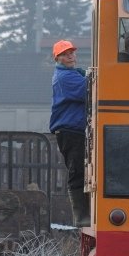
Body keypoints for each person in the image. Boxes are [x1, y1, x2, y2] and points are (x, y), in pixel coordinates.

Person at [49, 39, 90, 227]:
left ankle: (86, 213)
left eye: (72, 52)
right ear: (57, 58)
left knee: (81, 170)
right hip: (69, 130)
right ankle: (81, 216)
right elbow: (89, 91)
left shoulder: (71, 74)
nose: (70, 56)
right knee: (78, 171)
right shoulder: (65, 78)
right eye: (65, 54)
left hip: (74, 130)